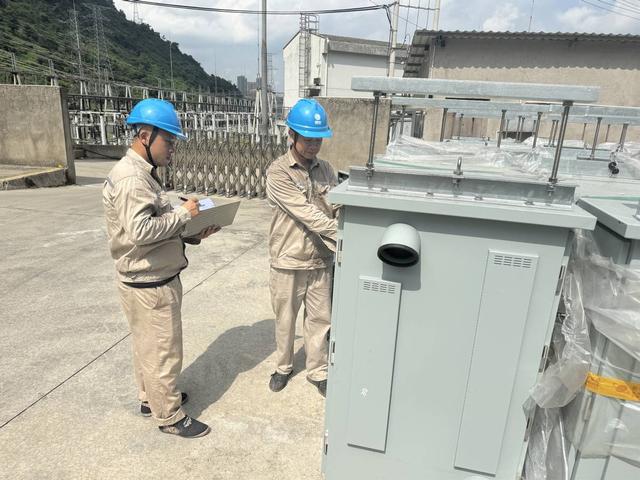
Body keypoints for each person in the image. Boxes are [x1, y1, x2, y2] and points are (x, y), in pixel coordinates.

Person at [103, 98, 219, 438]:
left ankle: (149, 398)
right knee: (163, 351)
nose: (172, 148)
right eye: (168, 140)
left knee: (147, 346)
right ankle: (168, 415)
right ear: (144, 136)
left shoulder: (139, 173)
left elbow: (151, 226)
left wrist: (192, 232)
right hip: (150, 282)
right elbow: (141, 232)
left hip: (143, 276)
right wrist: (184, 214)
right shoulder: (132, 179)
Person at [266, 98, 338, 397]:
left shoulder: (327, 169)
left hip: (320, 259)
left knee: (320, 320)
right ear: (291, 135)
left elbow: (336, 205)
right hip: (288, 259)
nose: (313, 145)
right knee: (285, 319)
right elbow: (306, 213)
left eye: (318, 139)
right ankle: (283, 366)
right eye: (308, 139)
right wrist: (342, 235)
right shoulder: (278, 172)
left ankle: (318, 370)